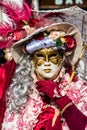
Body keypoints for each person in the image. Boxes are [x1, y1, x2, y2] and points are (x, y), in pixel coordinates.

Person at [1, 22, 87, 130]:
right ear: (32, 61)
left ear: (62, 59)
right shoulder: (22, 92)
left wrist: (61, 100)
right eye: (41, 56)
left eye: (52, 56)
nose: (47, 62)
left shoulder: (80, 90)